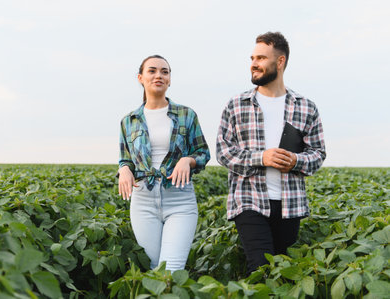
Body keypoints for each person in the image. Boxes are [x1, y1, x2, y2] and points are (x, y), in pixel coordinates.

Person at [216, 32, 326, 275]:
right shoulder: (236, 105)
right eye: (252, 57)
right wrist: (261, 158)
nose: (254, 63)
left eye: (261, 58)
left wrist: (296, 160)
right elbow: (223, 152)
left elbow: (318, 154)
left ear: (280, 61)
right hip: (249, 200)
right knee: (261, 269)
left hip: (290, 204)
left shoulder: (306, 106)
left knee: (282, 271)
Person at [118, 55, 210, 272]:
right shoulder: (129, 120)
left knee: (171, 270)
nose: (158, 75)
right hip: (143, 200)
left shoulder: (186, 114)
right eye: (152, 71)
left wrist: (187, 160)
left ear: (169, 80)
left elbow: (203, 153)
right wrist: (123, 170)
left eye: (164, 72)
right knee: (151, 268)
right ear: (140, 78)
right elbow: (125, 158)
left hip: (179, 199)